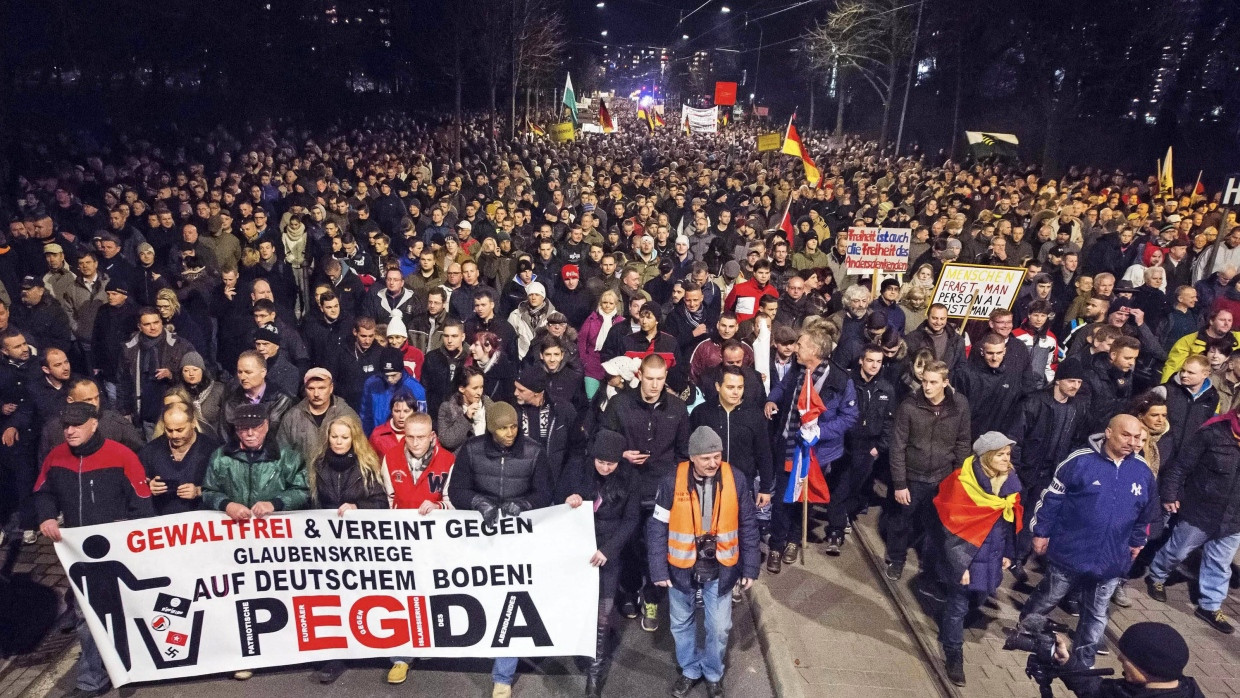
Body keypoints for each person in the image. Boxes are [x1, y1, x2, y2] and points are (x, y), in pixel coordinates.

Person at [32, 401, 154, 697]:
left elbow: (143, 505)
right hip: (79, 558)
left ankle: (135, 666)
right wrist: (47, 515)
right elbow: (43, 492)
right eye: (66, 426)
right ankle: (92, 679)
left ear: (94, 423)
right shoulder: (56, 457)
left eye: (76, 425)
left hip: (119, 554)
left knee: (125, 614)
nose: (70, 431)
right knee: (87, 617)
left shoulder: (122, 456)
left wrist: (125, 531)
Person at [1022, 414, 1160, 673]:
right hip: (1070, 553)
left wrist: (1138, 540)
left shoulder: (1142, 471)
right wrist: (1041, 532)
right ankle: (1027, 631)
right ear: (1108, 432)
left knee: (1096, 615)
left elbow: (1145, 513)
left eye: (1137, 438)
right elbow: (1052, 499)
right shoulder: (1079, 461)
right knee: (1048, 597)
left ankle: (1083, 664)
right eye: (1126, 435)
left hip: (1111, 560)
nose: (1133, 442)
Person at [647, 426, 760, 698]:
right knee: (681, 623)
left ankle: (712, 672)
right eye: (706, 458)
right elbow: (656, 527)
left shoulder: (737, 479)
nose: (713, 463)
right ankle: (690, 669)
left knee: (719, 628)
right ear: (692, 457)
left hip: (721, 566)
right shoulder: (671, 481)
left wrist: (751, 566)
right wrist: (658, 568)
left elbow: (748, 523)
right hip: (680, 566)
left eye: (717, 456)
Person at [447, 402, 552, 698]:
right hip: (481, 541)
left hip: (520, 542)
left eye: (514, 427)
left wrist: (524, 504)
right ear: (492, 429)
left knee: (512, 603)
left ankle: (503, 674)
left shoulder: (533, 451)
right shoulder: (471, 450)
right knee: (482, 601)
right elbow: (457, 491)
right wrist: (479, 502)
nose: (510, 433)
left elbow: (545, 491)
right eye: (504, 428)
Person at [201, 402, 309, 680]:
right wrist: (226, 504)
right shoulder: (221, 457)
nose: (249, 434)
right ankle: (246, 654)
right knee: (240, 601)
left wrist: (276, 503)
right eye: (242, 429)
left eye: (254, 428)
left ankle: (284, 650)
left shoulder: (286, 457)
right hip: (234, 546)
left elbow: (302, 490)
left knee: (278, 596)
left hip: (275, 546)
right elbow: (208, 491)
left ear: (266, 426)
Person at [600, 354, 689, 630]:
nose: (654, 385)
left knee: (655, 547)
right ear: (639, 376)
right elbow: (602, 440)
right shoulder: (619, 404)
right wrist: (622, 454)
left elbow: (684, 453)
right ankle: (628, 592)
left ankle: (651, 598)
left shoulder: (677, 408)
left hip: (660, 491)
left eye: (660, 380)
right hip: (626, 488)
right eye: (649, 379)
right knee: (626, 545)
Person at [763, 326, 858, 572]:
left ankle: (794, 540)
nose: (795, 348)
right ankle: (776, 544)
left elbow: (849, 417)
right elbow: (783, 387)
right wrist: (773, 399)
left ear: (814, 350)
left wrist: (821, 432)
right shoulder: (797, 369)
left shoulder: (840, 380)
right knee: (783, 497)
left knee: (802, 498)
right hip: (788, 443)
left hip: (814, 452)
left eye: (800, 345)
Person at [932, 432, 1023, 686]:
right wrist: (961, 565)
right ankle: (953, 653)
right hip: (967, 560)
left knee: (980, 598)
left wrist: (1008, 553)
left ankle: (952, 626)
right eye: (1001, 454)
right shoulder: (962, 484)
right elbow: (952, 530)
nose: (1007, 459)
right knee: (957, 607)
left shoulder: (1009, 483)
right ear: (987, 457)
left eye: (1008, 454)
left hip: (992, 557)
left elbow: (1010, 522)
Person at [306, 414, 389, 683]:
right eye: (334, 437)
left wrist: (358, 508)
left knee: (358, 597)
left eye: (344, 437)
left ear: (354, 439)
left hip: (359, 546)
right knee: (332, 599)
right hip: (328, 546)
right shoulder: (318, 465)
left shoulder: (367, 465)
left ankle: (364, 646)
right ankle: (334, 655)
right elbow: (312, 504)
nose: (338, 442)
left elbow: (382, 504)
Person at [1146, 401, 1240, 634]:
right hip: (1201, 509)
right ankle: (1157, 575)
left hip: (1234, 517)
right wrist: (1170, 494)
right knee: (1178, 551)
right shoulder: (1213, 432)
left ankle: (1210, 605)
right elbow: (1181, 467)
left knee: (1220, 563)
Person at [563, 430, 640, 698]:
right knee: (578, 605)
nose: (605, 468)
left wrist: (608, 549)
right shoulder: (577, 470)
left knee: (603, 614)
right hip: (579, 550)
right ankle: (581, 647)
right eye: (601, 462)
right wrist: (570, 501)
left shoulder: (630, 478)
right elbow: (560, 501)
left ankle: (595, 672)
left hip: (609, 553)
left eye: (611, 464)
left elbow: (631, 520)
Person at [381, 411, 455, 684]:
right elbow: (386, 499)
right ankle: (400, 658)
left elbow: (453, 502)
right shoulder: (391, 458)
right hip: (401, 541)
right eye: (410, 437)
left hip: (435, 541)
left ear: (432, 436)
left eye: (421, 438)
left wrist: (439, 506)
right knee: (402, 597)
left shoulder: (448, 460)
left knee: (432, 594)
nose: (415, 443)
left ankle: (434, 645)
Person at [884, 359, 971, 581]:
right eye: (924, 381)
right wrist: (900, 484)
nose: (927, 387)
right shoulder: (909, 406)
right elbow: (898, 446)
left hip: (943, 477)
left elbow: (963, 443)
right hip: (913, 476)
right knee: (902, 520)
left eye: (933, 382)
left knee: (935, 525)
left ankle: (930, 565)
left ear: (945, 382)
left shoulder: (959, 406)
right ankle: (896, 558)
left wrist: (960, 478)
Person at [1004, 358, 1089, 579]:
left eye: (1079, 382)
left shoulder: (1077, 408)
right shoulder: (1034, 402)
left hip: (1050, 475)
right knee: (1011, 515)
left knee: (1033, 516)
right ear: (1058, 380)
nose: (1075, 386)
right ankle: (1001, 554)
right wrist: (1017, 467)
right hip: (1025, 472)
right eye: (1071, 381)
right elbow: (1015, 438)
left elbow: (1076, 441)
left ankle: (1017, 559)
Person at [1053, 622, 1204, 698]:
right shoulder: (1137, 688)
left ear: (1146, 669)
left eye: (1127, 658)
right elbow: (1098, 691)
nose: (1119, 658)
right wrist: (1067, 662)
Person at [139, 403, 221, 515]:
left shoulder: (211, 450)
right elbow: (135, 486)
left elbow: (226, 487)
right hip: (162, 520)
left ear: (193, 423)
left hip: (200, 519)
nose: (174, 435)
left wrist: (199, 491)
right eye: (169, 430)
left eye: (180, 430)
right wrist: (148, 488)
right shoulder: (151, 451)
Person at [278, 367, 360, 463]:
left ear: (331, 388)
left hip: (337, 475)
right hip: (303, 476)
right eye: (311, 388)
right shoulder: (292, 417)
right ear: (305, 389)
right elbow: (282, 455)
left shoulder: (346, 414)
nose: (316, 394)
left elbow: (360, 450)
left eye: (321, 388)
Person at [360, 347, 427, 433]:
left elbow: (421, 421)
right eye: (386, 375)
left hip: (405, 439)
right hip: (376, 438)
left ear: (401, 371)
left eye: (394, 375)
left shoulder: (416, 389)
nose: (389, 379)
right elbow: (365, 416)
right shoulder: (371, 384)